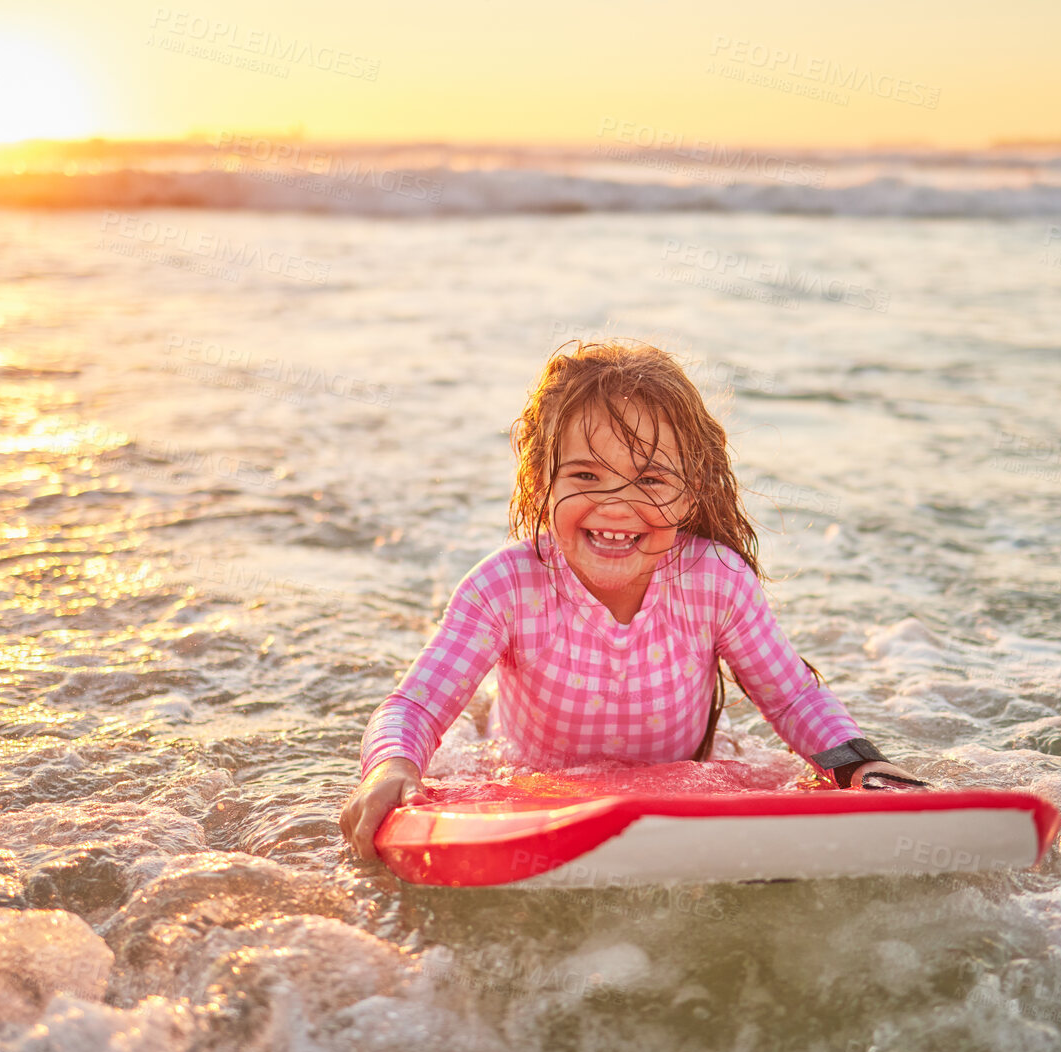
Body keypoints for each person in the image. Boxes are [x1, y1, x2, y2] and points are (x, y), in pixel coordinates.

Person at [338, 341, 922, 860]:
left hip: (671, 782)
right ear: (542, 482)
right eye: (587, 477)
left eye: (650, 481)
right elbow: (413, 706)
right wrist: (392, 768)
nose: (616, 507)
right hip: (535, 782)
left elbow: (792, 697)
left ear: (692, 491)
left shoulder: (714, 581)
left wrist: (859, 765)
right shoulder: (505, 587)